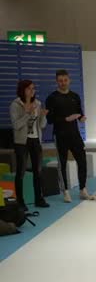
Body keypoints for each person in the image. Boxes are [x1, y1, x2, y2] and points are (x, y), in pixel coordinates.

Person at [45, 70, 94, 202]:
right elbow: (49, 119)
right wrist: (65, 119)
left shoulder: (75, 96)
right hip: (60, 135)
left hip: (75, 134)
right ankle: (65, 191)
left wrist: (82, 118)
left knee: (82, 160)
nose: (63, 83)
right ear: (57, 81)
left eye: (65, 80)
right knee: (62, 163)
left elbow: (79, 113)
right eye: (60, 80)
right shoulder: (52, 98)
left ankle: (83, 189)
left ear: (69, 80)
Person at [9, 80, 49, 211]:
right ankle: (20, 202)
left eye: (33, 88)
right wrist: (27, 114)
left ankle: (39, 199)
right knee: (21, 172)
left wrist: (43, 116)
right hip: (22, 142)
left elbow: (42, 125)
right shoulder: (15, 105)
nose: (32, 91)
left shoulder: (37, 103)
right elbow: (16, 125)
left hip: (35, 140)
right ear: (22, 90)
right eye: (29, 89)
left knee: (38, 171)